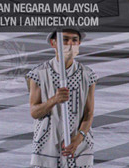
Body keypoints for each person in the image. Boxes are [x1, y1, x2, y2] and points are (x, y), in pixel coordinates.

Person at [26, 29, 97, 168]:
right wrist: (54, 100)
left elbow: (89, 113)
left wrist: (78, 139)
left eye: (74, 40)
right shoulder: (38, 73)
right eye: (64, 39)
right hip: (47, 143)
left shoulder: (88, 75)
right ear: (54, 43)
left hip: (80, 145)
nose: (70, 43)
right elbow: (34, 112)